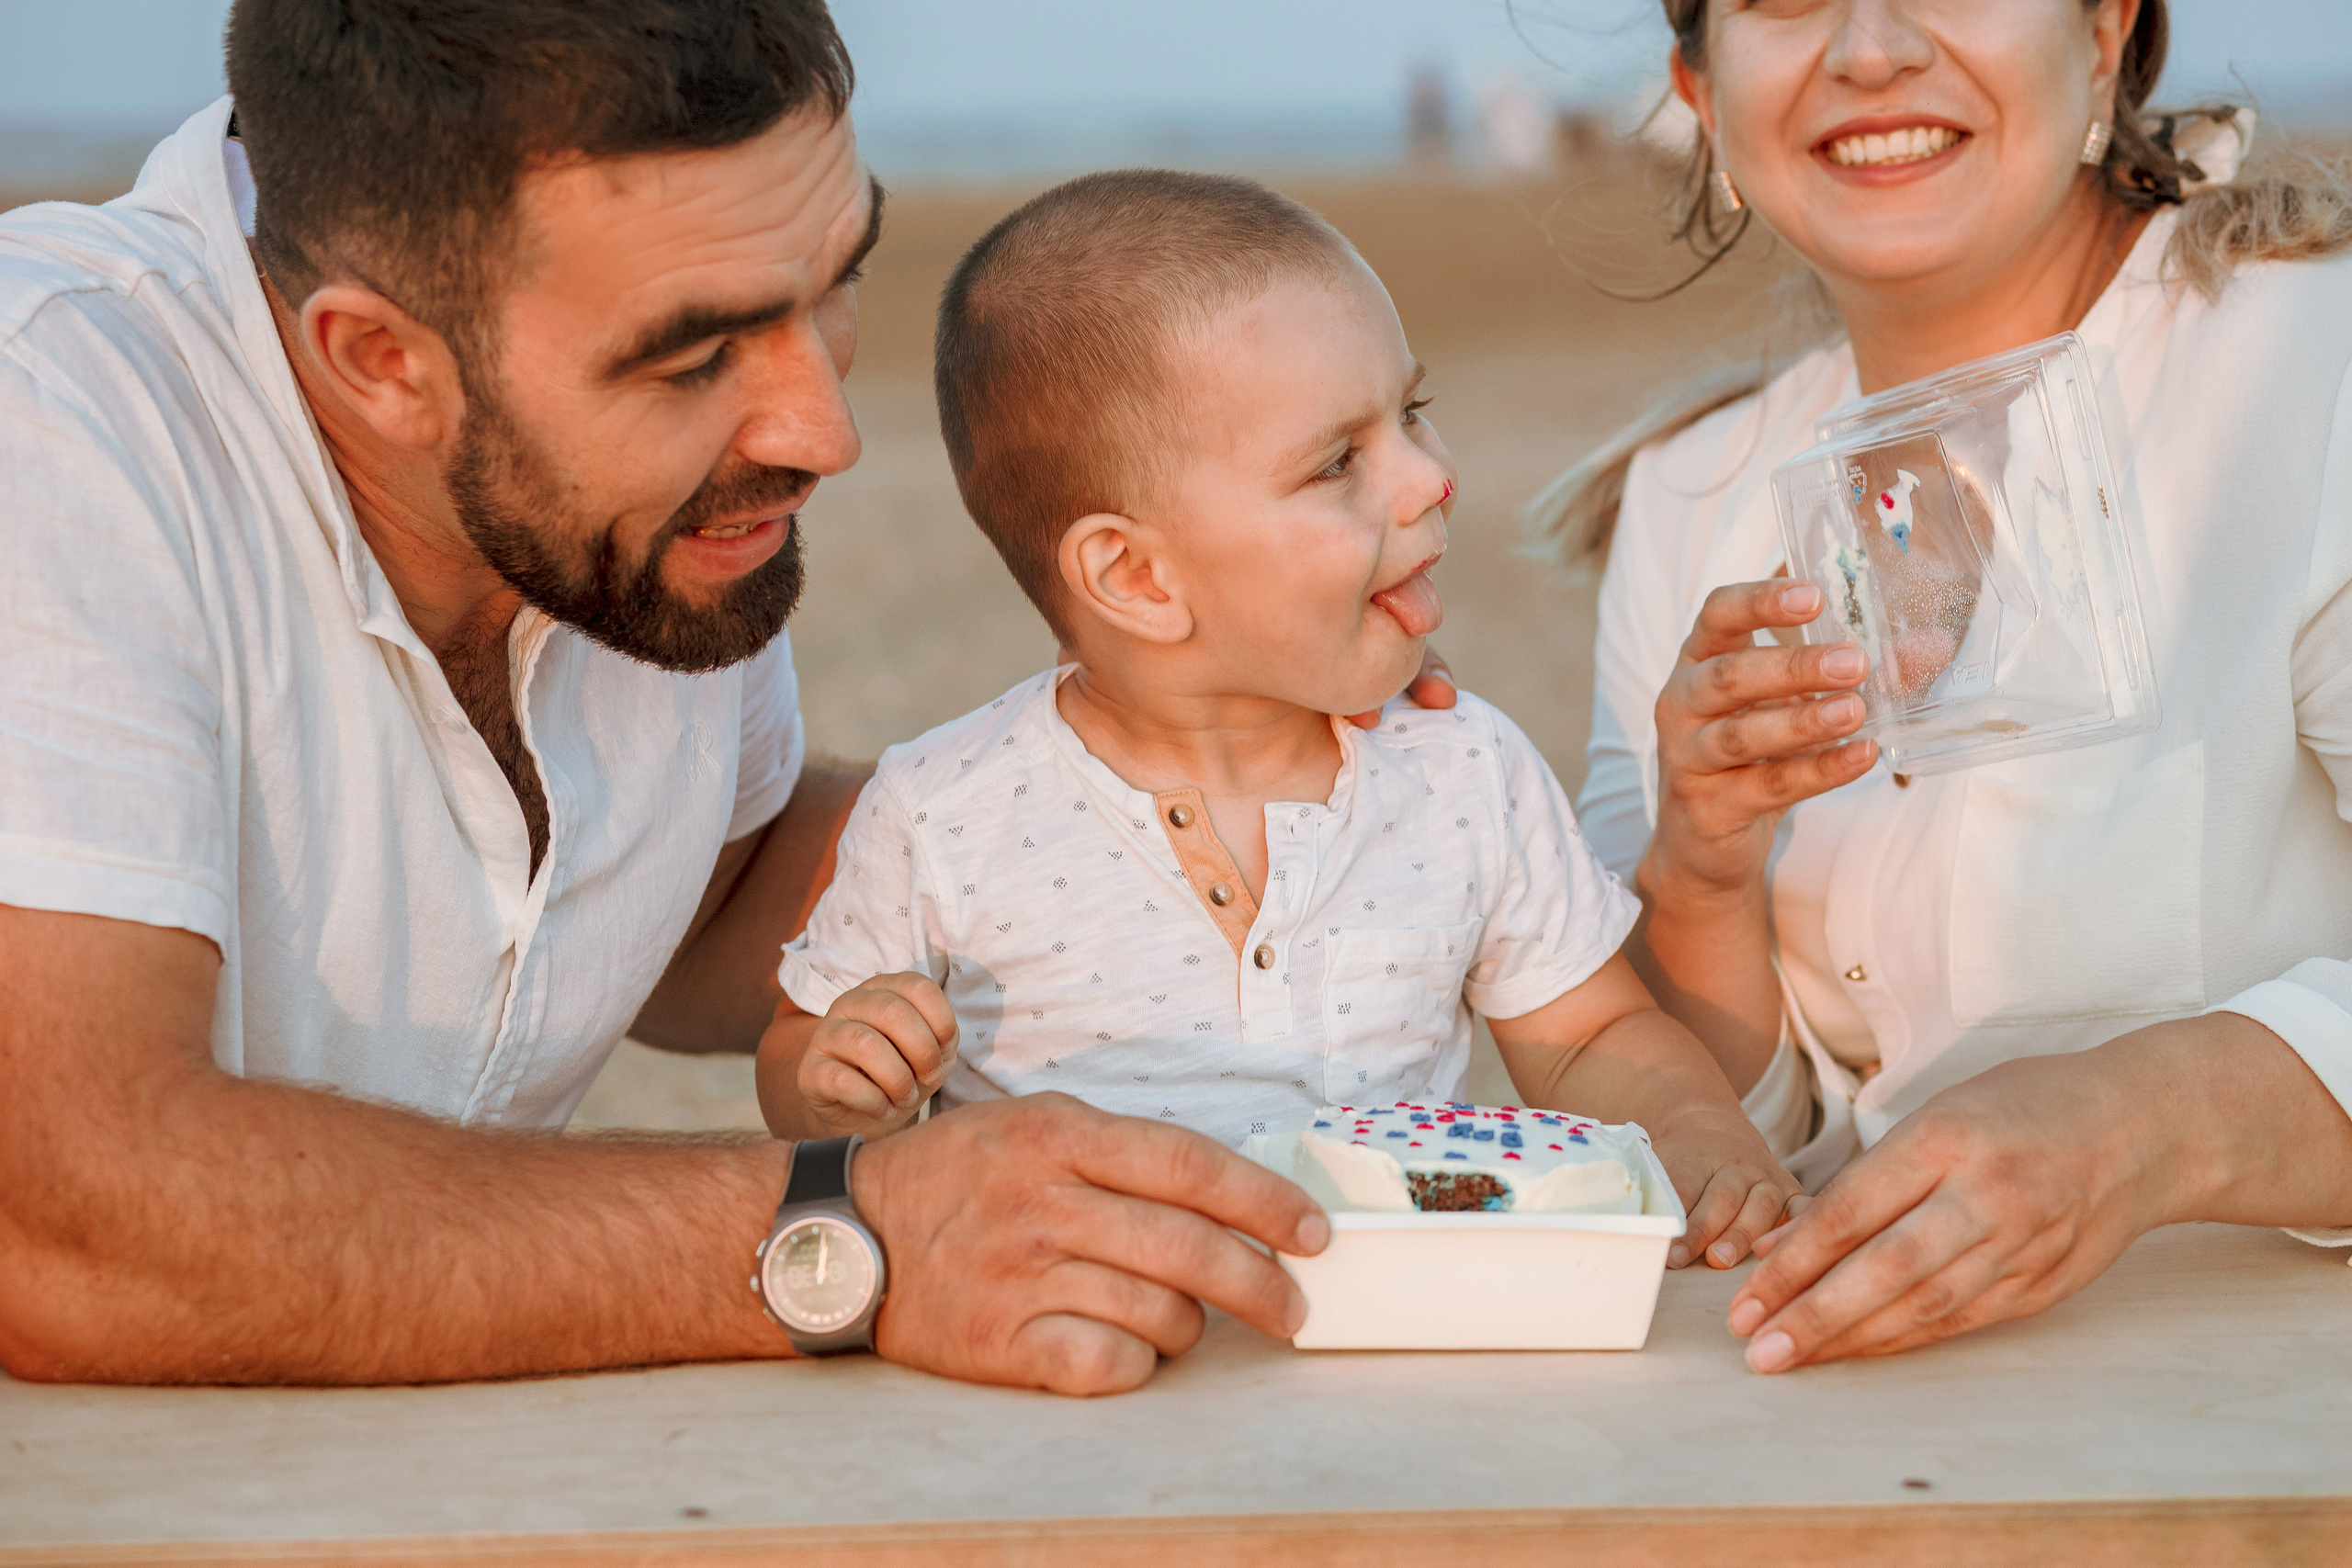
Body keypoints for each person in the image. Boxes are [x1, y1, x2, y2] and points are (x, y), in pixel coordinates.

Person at [0, 0, 1342, 1397]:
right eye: (695, 357)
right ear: (380, 361)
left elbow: (710, 890)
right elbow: (62, 1220)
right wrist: (848, 1228)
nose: (821, 429)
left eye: (835, 280)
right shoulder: (49, 416)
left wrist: (1237, 774)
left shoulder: (651, 518)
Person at [752, 171, 1801, 1267]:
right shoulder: (941, 812)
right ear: (1137, 576)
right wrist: (839, 1077)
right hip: (1074, 1350)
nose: (1430, 479)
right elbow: (793, 1062)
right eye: (1339, 461)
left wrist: (1695, 1134)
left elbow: (1589, 1033)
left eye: (1414, 415)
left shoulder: (1460, 771)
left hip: (1385, 1336)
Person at [1535, 0, 2352, 1373]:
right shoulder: (1691, 502)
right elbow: (1715, 1147)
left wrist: (2142, 1126)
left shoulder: (2311, 371)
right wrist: (1703, 874)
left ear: (2104, 34)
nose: (1871, 50)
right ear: (1702, 85)